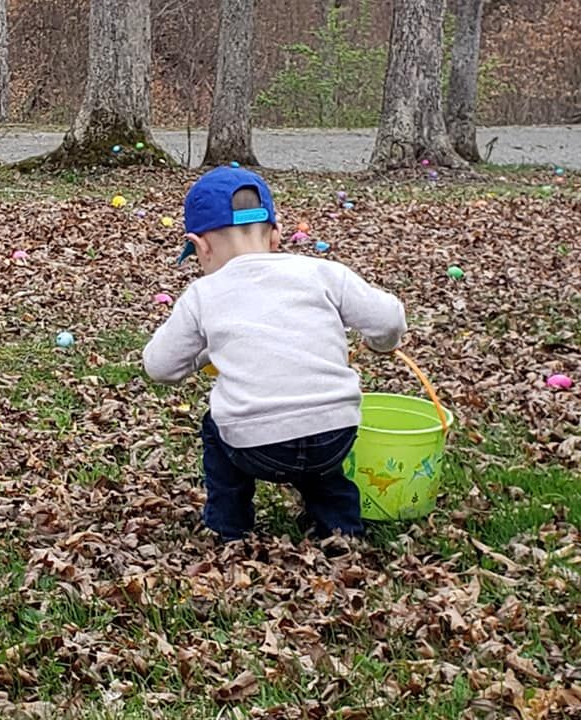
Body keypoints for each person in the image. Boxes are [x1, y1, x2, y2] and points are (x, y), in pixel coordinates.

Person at [142, 167, 407, 541]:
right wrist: (382, 345)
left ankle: (228, 526)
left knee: (216, 428)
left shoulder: (204, 294)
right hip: (334, 435)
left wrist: (201, 354)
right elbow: (389, 317)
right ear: (276, 236)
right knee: (318, 437)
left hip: (255, 445)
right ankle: (340, 528)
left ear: (200, 246)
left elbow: (160, 367)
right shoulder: (324, 273)